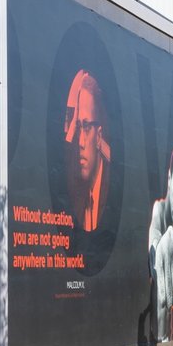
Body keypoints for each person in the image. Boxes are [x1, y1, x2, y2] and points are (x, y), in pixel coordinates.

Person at [64, 69, 110, 231]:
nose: (80, 142)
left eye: (86, 126)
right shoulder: (75, 192)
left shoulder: (108, 189)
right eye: (77, 127)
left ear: (98, 136)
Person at [148, 152, 173, 340]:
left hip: (166, 337)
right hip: (157, 337)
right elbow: (155, 265)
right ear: (169, 178)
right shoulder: (158, 213)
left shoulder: (172, 234)